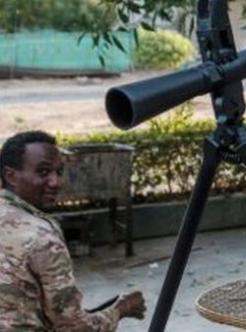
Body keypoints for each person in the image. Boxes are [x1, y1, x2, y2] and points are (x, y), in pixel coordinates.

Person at [0, 130, 147, 331]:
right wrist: (121, 310)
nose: (55, 182)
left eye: (58, 172)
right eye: (43, 172)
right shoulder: (42, 238)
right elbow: (73, 327)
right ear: (11, 176)